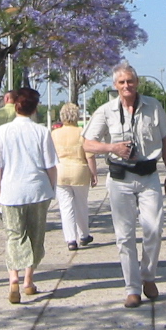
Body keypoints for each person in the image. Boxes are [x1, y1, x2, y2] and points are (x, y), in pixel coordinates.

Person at [83, 61, 166, 309]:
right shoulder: (105, 111)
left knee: (154, 229)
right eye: (122, 82)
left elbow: (165, 141)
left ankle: (148, 276)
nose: (126, 86)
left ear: (137, 83)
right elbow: (87, 144)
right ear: (115, 85)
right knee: (124, 236)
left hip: (148, 176)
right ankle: (132, 288)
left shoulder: (153, 106)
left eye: (130, 81)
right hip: (120, 178)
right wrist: (112, 147)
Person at [0, 87, 59, 304]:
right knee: (35, 235)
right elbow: (51, 165)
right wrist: (53, 188)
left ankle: (13, 279)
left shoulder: (3, 131)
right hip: (38, 190)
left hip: (11, 191)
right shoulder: (41, 132)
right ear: (34, 108)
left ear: (15, 106)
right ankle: (29, 281)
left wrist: (0, 187)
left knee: (14, 235)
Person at [51, 103, 98, 251]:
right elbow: (89, 156)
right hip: (79, 170)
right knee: (81, 205)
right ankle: (84, 234)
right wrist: (93, 173)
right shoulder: (82, 132)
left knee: (66, 207)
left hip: (61, 172)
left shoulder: (54, 133)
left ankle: (71, 239)